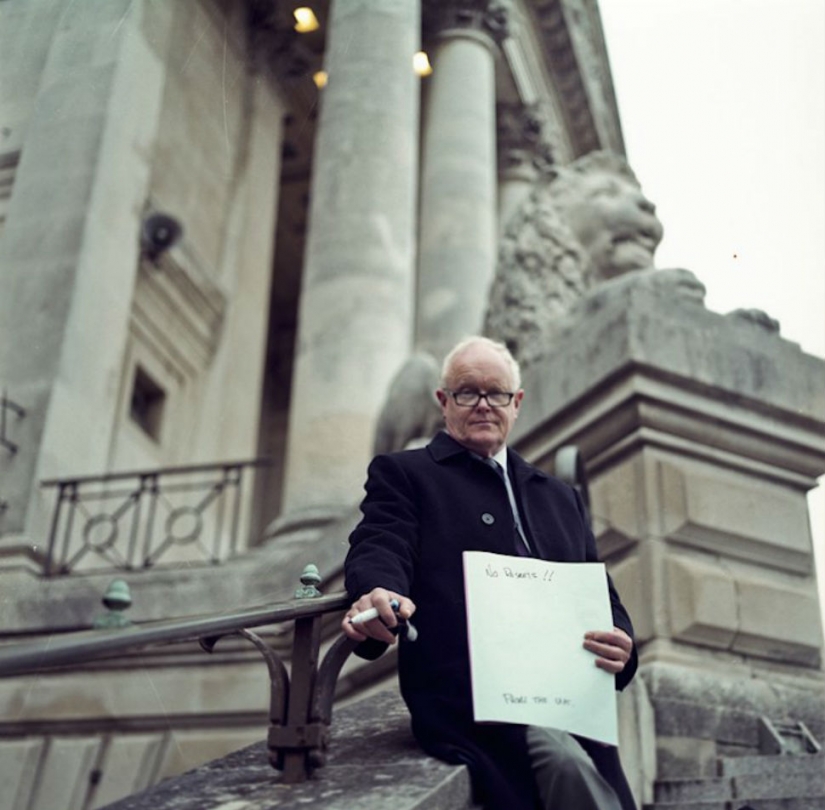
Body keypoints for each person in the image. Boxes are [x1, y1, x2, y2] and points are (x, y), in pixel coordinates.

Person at [341, 336, 638, 809]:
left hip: (570, 694)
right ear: (443, 402)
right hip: (472, 696)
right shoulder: (405, 473)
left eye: (496, 393)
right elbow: (381, 541)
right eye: (466, 392)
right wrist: (378, 589)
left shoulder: (560, 496)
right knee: (566, 767)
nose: (483, 404)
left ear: (516, 403)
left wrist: (622, 639)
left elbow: (599, 591)